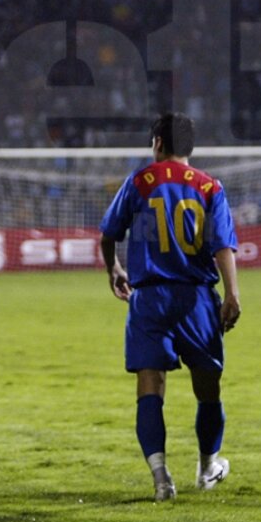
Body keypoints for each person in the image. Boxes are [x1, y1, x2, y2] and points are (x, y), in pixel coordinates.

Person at [98, 112, 242, 502]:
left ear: (158, 143)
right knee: (207, 387)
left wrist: (114, 268)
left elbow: (109, 233)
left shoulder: (140, 182)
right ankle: (208, 465)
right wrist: (232, 293)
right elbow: (222, 245)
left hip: (148, 298)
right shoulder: (210, 187)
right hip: (195, 298)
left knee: (150, 386)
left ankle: (161, 477)